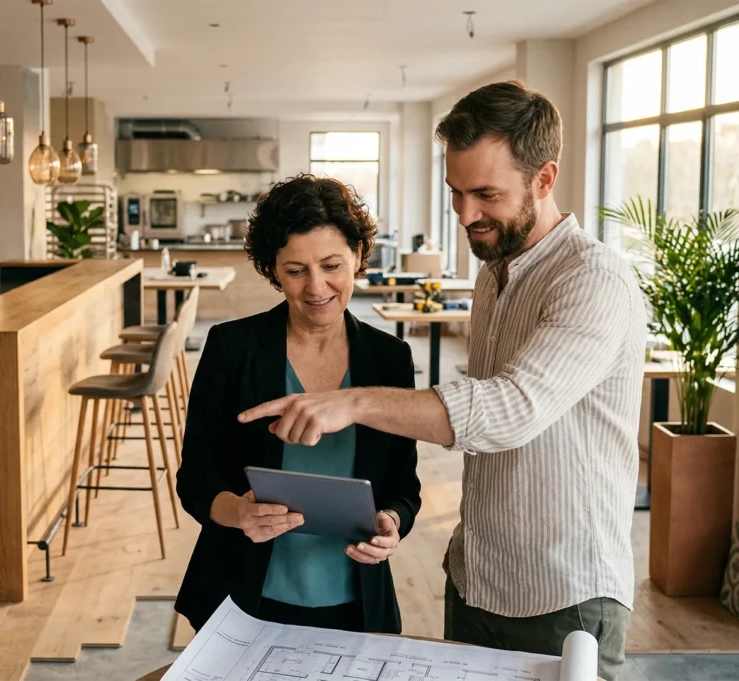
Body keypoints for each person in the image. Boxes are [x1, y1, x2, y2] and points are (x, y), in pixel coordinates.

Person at [238, 81, 645, 681]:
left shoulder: (592, 280)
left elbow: (509, 411)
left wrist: (351, 402)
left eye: (486, 194)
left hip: (565, 594)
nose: (466, 215)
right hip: (478, 579)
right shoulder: (497, 271)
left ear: (545, 177)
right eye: (456, 193)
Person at [174, 174, 422, 635]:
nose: (316, 288)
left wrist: (390, 521)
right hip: (243, 592)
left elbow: (404, 487)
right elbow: (195, 478)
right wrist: (236, 512)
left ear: (359, 258)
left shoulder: (390, 359)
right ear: (272, 269)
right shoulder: (231, 347)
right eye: (295, 270)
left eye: (332, 265)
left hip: (356, 600)